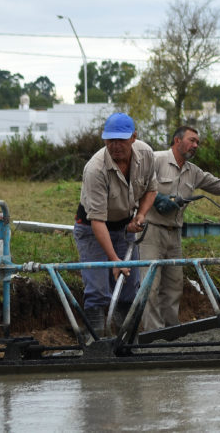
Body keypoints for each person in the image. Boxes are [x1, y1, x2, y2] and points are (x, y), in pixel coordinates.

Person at [74, 112, 157, 336]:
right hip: (92, 228)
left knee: (129, 288)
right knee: (98, 289)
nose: (115, 145)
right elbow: (97, 221)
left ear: (133, 138)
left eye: (121, 140)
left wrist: (140, 216)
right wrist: (114, 261)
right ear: (104, 140)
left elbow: (151, 189)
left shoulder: (146, 154)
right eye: (110, 140)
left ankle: (127, 342)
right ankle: (97, 344)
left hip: (124, 225)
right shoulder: (95, 169)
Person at [140, 125, 220, 331]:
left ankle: (171, 330)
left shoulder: (193, 172)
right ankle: (153, 334)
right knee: (150, 284)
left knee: (174, 285)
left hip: (174, 234)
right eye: (192, 140)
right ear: (177, 141)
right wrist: (157, 198)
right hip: (151, 231)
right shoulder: (156, 159)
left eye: (197, 142)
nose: (195, 145)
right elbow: (136, 183)